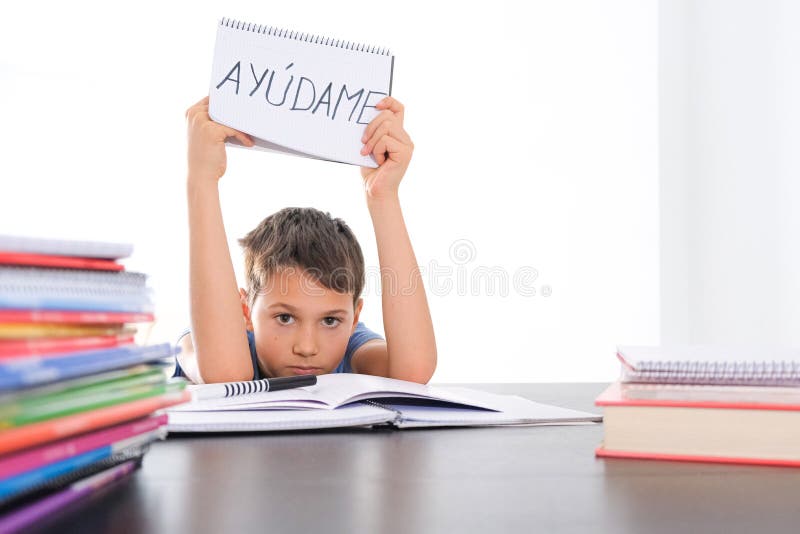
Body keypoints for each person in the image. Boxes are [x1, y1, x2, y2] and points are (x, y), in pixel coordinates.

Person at [174, 95, 436, 384]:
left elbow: (412, 373)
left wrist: (383, 195)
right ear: (245, 310)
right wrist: (201, 178)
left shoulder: (354, 348)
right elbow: (227, 376)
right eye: (285, 318)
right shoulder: (201, 342)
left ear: (354, 317)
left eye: (330, 321)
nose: (307, 348)